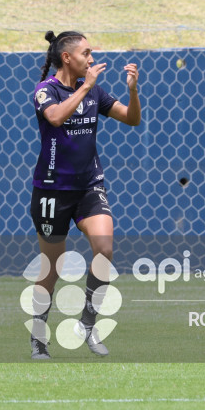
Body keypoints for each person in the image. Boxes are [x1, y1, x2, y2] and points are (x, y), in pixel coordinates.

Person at [29, 31, 141, 359]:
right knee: (52, 267)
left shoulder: (94, 92)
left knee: (104, 247)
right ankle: (38, 336)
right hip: (51, 192)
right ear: (67, 57)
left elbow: (132, 119)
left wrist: (133, 92)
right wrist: (87, 87)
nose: (91, 59)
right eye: (86, 53)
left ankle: (87, 324)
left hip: (89, 185)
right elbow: (55, 117)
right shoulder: (45, 92)